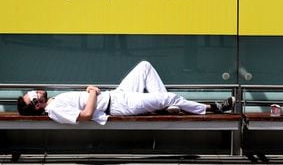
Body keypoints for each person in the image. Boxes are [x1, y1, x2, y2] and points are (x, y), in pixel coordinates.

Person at [16, 61, 235, 125]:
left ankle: (163, 105)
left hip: (118, 95)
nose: (35, 92)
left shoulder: (54, 101)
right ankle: (210, 108)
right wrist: (91, 92)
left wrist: (90, 92)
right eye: (33, 96)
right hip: (120, 105)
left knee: (145, 67)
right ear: (37, 105)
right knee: (171, 97)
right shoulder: (54, 110)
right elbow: (85, 116)